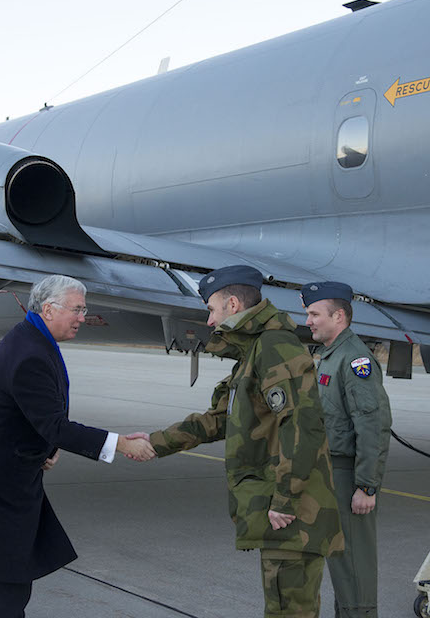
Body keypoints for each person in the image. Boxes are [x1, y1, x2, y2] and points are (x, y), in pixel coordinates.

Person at [0, 274, 155, 618]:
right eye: (78, 309)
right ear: (50, 309)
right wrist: (121, 444)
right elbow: (54, 424)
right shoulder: (30, 353)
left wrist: (45, 448)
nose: (83, 317)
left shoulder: (30, 338)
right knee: (7, 584)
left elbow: (31, 416)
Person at [136, 265, 344, 618]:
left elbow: (302, 425)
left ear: (232, 304)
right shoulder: (256, 351)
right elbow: (220, 419)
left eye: (211, 309)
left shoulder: (274, 347)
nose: (208, 320)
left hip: (294, 514)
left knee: (291, 611)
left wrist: (285, 498)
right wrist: (155, 442)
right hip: (285, 511)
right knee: (281, 607)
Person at [301, 282, 392, 618]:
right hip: (329, 472)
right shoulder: (331, 355)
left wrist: (366, 485)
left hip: (347, 475)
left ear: (338, 316)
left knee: (353, 562)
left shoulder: (355, 360)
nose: (308, 320)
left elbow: (372, 424)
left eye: (314, 313)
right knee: (339, 560)